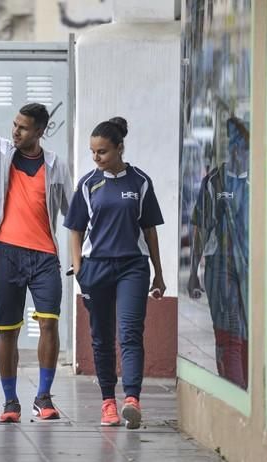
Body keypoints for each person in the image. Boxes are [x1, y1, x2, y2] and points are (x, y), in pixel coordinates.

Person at [0, 51, 73, 422]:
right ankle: (10, 402)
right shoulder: (1, 154)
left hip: (44, 257)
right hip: (6, 253)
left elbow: (73, 213)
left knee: (49, 322)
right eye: (15, 124)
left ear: (39, 131)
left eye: (23, 127)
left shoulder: (55, 166)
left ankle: (44, 396)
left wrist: (82, 253)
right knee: (8, 330)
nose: (15, 130)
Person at [64, 117, 166, 429]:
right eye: (93, 152)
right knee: (102, 338)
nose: (96, 158)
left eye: (103, 152)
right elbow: (75, 230)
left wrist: (158, 274)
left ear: (120, 148)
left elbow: (149, 231)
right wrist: (80, 269)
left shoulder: (140, 182)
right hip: (96, 269)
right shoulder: (87, 184)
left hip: (133, 267)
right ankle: (108, 401)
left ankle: (132, 400)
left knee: (130, 333)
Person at [188, 117, 250, 390]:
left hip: (252, 265)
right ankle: (235, 390)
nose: (238, 151)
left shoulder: (263, 182)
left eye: (244, 145)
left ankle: (244, 390)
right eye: (234, 144)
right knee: (229, 328)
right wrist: (193, 273)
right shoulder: (214, 181)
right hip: (220, 263)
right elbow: (200, 228)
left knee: (247, 332)